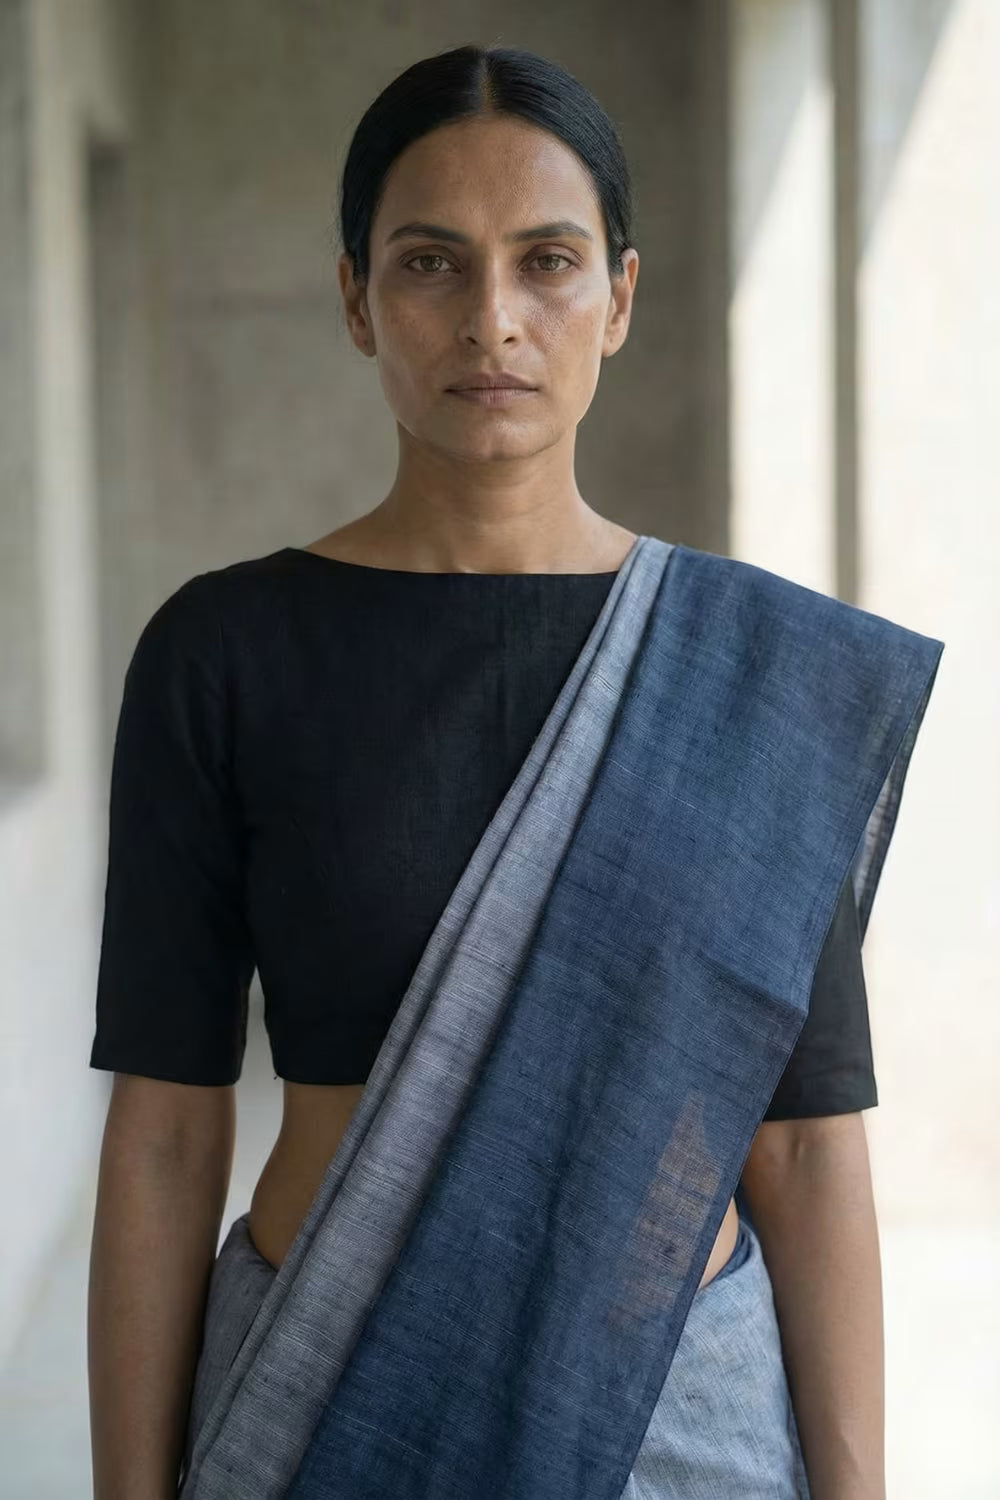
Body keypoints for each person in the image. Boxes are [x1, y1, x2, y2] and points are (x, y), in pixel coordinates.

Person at [86, 44, 942, 1500]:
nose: (493, 320)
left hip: (677, 1422)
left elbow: (803, 1149)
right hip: (330, 1393)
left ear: (618, 296)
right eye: (432, 264)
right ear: (357, 298)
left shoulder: (749, 675)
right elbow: (167, 1131)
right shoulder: (225, 653)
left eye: (547, 262)